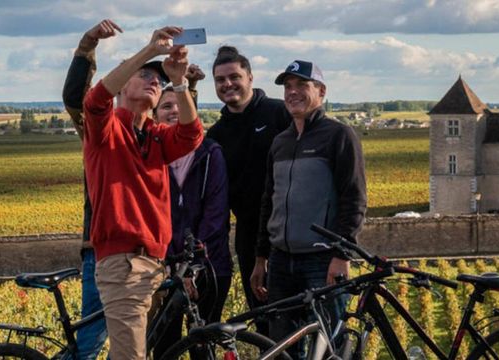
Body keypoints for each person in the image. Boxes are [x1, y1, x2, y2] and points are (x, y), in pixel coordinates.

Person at [83, 26, 203, 360]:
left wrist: (178, 82)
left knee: (135, 352)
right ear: (122, 87)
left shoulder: (156, 136)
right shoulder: (106, 130)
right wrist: (150, 51)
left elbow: (192, 134)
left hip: (154, 262)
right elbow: (95, 100)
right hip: (123, 262)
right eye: (144, 76)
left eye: (157, 79)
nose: (154, 81)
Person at [250, 60, 367, 358]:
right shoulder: (280, 142)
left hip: (322, 261)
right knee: (284, 350)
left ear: (321, 91)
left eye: (302, 85)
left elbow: (354, 199)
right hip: (281, 263)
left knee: (329, 347)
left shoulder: (339, 135)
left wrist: (342, 254)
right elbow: (269, 200)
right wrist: (261, 258)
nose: (292, 92)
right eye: (288, 87)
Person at [207, 46, 291, 334]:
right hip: (249, 236)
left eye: (234, 76)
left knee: (299, 318)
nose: (227, 84)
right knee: (264, 317)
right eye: (220, 80)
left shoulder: (279, 113)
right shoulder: (216, 134)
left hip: (289, 230)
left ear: (250, 77)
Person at [151, 68, 233, 357]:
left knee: (203, 344)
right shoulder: (151, 156)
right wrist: (172, 266)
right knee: (165, 347)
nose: (174, 111)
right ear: (155, 115)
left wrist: (193, 266)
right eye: (166, 106)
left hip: (210, 265)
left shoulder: (211, 154)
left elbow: (215, 215)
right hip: (164, 269)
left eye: (179, 106)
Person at [62, 19, 122, 359]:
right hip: (102, 247)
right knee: (90, 342)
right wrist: (87, 46)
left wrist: (186, 84)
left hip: (152, 253)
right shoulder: (101, 133)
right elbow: (75, 97)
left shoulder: (153, 135)